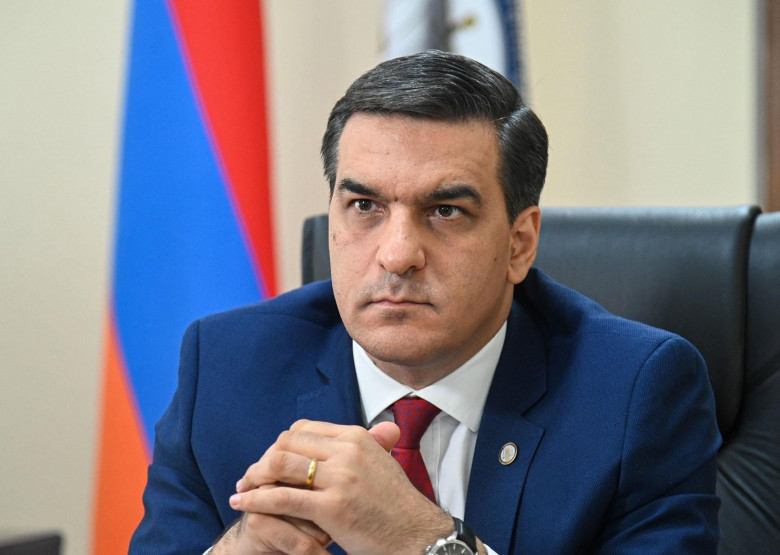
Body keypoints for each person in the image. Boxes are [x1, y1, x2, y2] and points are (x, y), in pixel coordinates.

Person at [130, 50, 721, 554]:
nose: (397, 255)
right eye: (364, 206)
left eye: (445, 211)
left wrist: (422, 541)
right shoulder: (226, 368)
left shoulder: (632, 392)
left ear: (519, 243)